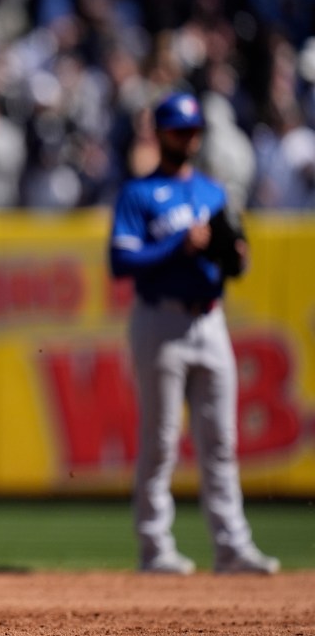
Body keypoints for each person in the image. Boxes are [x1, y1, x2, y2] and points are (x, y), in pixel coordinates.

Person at [108, 92, 280, 575]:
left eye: (193, 130)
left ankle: (231, 547)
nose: (188, 137)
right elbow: (121, 261)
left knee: (221, 441)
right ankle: (154, 548)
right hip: (159, 320)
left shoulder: (212, 191)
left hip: (210, 318)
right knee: (161, 440)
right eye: (179, 129)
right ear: (161, 133)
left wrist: (235, 256)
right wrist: (176, 245)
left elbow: (233, 260)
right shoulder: (138, 194)